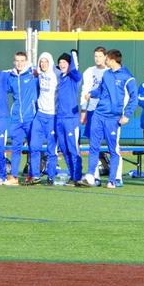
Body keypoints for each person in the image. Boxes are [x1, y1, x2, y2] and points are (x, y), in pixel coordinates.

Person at [76, 49, 137, 189]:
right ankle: (90, 176)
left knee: (113, 150)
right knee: (93, 146)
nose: (104, 61)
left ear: (113, 60)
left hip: (113, 118)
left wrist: (126, 115)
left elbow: (134, 98)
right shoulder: (106, 74)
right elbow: (100, 90)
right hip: (98, 115)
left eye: (107, 59)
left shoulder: (127, 77)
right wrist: (91, 93)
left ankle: (112, 180)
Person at [4, 51, 38, 185]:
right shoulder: (11, 77)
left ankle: (33, 175)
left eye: (22, 61)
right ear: (14, 62)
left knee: (33, 147)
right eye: (17, 61)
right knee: (16, 147)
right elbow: (2, 89)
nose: (19, 63)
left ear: (26, 61)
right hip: (16, 118)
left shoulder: (33, 74)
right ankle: (14, 177)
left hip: (31, 117)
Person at [80, 46, 111, 185]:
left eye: (100, 56)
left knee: (113, 146)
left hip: (107, 112)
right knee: (94, 146)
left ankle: (115, 178)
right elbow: (85, 90)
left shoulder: (110, 72)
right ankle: (94, 177)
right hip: (92, 112)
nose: (98, 58)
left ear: (105, 57)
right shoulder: (89, 71)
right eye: (96, 56)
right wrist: (83, 110)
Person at [26, 51, 58, 185]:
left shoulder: (57, 75)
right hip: (39, 115)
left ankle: (51, 177)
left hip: (52, 116)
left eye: (46, 61)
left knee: (52, 149)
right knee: (34, 147)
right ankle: (35, 175)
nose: (43, 64)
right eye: (41, 61)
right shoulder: (38, 75)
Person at [55, 50, 83, 185]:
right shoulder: (60, 78)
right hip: (59, 118)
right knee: (65, 149)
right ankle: (72, 175)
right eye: (60, 62)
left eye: (64, 62)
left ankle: (77, 176)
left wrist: (73, 57)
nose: (61, 64)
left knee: (73, 149)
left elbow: (77, 74)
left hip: (71, 118)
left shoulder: (73, 77)